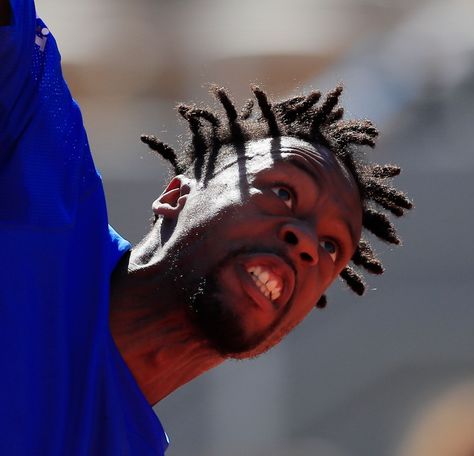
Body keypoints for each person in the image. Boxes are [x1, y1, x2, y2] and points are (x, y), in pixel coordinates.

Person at [0, 0, 412, 454]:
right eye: (284, 193)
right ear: (176, 195)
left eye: (333, 247)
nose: (308, 242)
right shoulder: (44, 185)